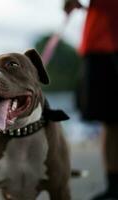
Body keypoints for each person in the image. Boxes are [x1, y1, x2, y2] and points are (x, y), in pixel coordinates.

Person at [64, 0, 118, 199]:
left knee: (111, 121)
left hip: (102, 41)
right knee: (110, 120)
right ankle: (114, 187)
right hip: (102, 42)